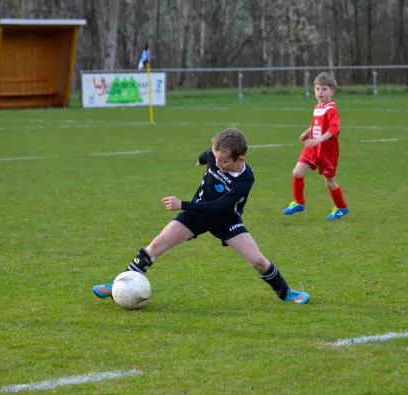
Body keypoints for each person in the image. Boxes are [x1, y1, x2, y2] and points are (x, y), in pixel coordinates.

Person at [93, 128, 310, 304]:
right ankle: (118, 284)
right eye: (215, 158)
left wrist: (182, 204)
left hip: (226, 219)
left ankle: (286, 293)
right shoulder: (215, 156)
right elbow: (207, 155)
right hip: (197, 213)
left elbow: (218, 208)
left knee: (257, 261)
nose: (217, 164)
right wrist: (201, 160)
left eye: (223, 161)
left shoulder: (245, 180)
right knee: (157, 244)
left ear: (239, 159)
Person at [283, 72, 349, 220]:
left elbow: (334, 129)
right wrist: (307, 132)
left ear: (332, 91)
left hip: (327, 151)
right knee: (297, 172)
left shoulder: (331, 108)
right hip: (313, 147)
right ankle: (299, 202)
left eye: (324, 89)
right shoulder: (318, 107)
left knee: (330, 183)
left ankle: (341, 207)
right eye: (318, 89)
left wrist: (318, 140)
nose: (320, 92)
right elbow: (317, 124)